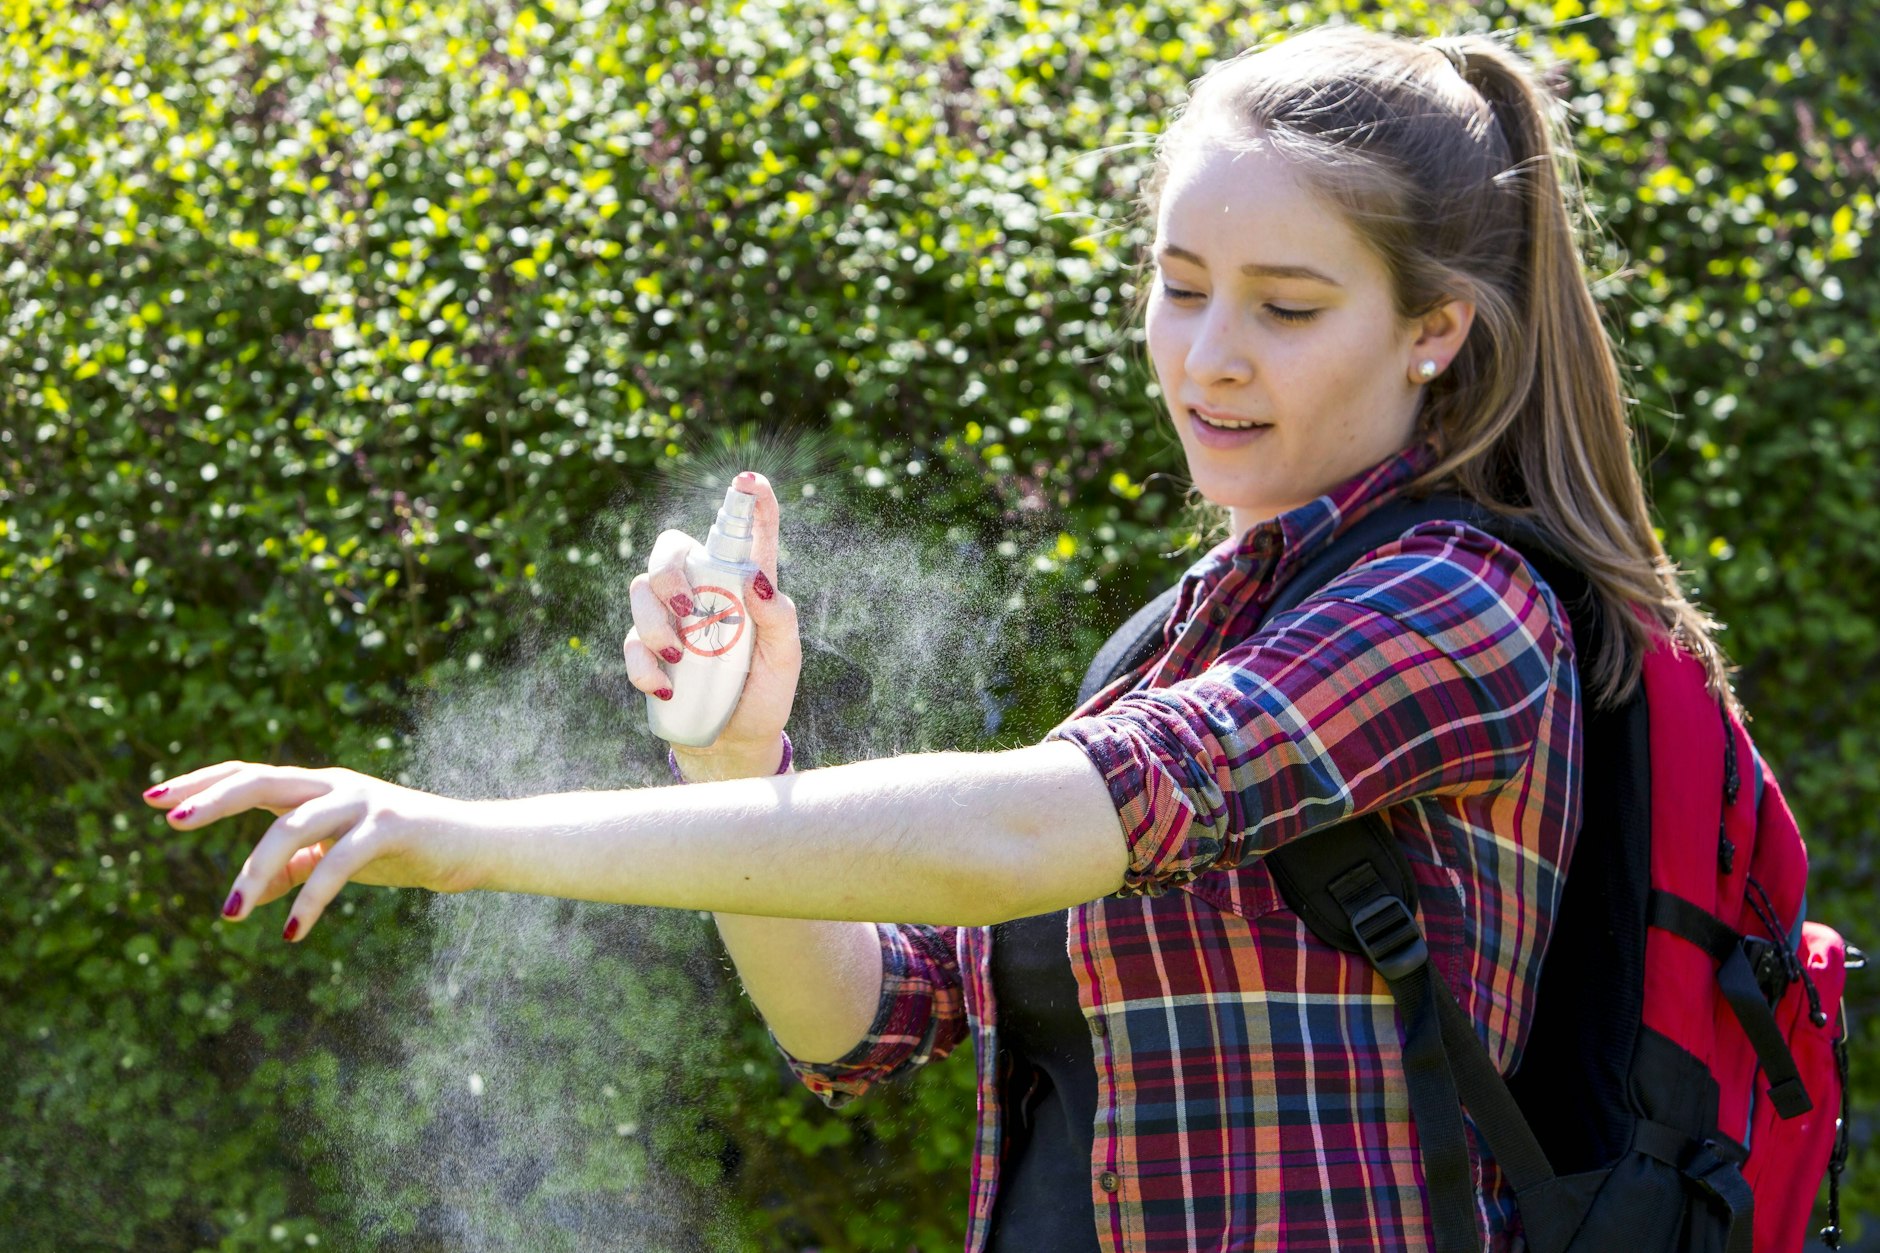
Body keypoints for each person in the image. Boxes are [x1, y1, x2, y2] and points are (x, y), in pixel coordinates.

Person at [143, 22, 1740, 1250]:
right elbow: (864, 1019)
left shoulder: (1458, 607)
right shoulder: (1183, 637)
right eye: (1180, 285)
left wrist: (468, 837)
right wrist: (735, 756)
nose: (1207, 356)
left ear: (1436, 329)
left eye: (1287, 306)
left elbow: (1022, 831)